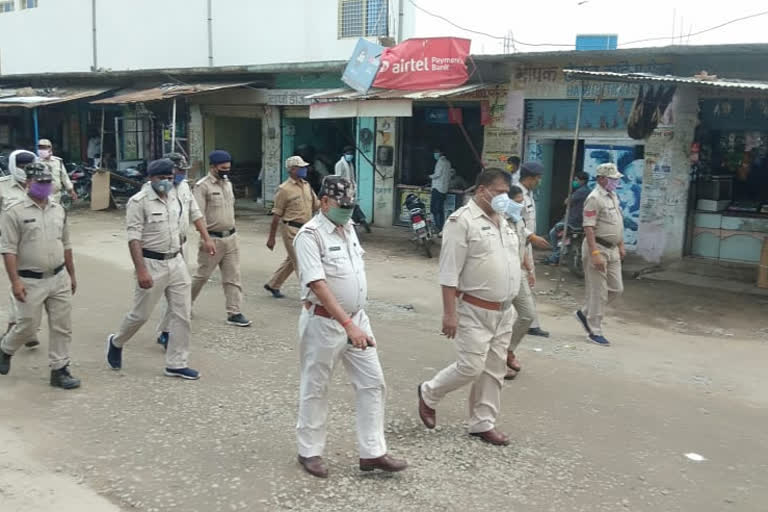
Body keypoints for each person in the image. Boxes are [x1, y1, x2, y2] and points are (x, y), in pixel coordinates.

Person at [293, 175, 407, 478]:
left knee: (373, 383)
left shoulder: (349, 228)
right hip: (324, 323)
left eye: (350, 206)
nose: (347, 211)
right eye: (342, 206)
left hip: (357, 320)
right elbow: (317, 284)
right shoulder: (310, 235)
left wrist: (355, 322)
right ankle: (309, 451)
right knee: (315, 387)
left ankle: (373, 452)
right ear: (325, 202)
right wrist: (347, 324)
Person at [418, 168, 521, 446]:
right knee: (471, 367)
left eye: (505, 193)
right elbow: (449, 271)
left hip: (504, 310)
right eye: (499, 192)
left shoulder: (505, 221)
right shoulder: (461, 221)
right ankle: (429, 393)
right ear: (481, 190)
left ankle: (482, 423)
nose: (503, 198)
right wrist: (449, 313)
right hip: (474, 309)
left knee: (494, 369)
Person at [106, 159, 199, 379]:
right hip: (151, 263)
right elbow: (134, 239)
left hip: (176, 261)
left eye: (169, 178)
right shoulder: (138, 202)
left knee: (182, 314)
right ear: (151, 178)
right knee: (141, 315)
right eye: (162, 179)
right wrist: (141, 271)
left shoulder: (176, 196)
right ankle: (117, 341)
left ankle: (176, 363)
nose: (167, 182)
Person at [0, 163, 80, 389]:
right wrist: (15, 281)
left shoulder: (58, 209)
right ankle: (5, 349)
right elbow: (9, 249)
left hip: (58, 276)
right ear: (28, 183)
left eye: (47, 183)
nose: (44, 187)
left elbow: (66, 244)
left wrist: (72, 274)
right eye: (40, 183)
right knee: (27, 325)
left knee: (62, 326)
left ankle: (60, 369)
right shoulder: (14, 212)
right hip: (29, 279)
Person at [155, 153, 216, 349]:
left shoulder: (183, 187)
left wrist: (206, 238)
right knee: (149, 302)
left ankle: (166, 331)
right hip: (159, 250)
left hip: (180, 246)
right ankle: (121, 338)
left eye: (183, 171)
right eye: (178, 170)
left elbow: (195, 213)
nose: (181, 174)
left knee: (179, 291)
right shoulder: (157, 191)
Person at [191, 150, 251, 327]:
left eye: (228, 168)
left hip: (231, 238)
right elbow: (197, 216)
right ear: (213, 167)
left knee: (233, 277)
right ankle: (183, 304)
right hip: (212, 239)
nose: (226, 171)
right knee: (202, 276)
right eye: (223, 168)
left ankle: (234, 312)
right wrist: (206, 238)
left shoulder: (227, 184)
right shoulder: (202, 186)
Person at [576, 163, 626, 347]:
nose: (616, 182)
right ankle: (594, 331)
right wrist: (594, 253)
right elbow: (588, 227)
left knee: (616, 289)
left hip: (612, 249)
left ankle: (585, 312)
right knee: (598, 292)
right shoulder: (594, 198)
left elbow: (618, 221)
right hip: (598, 247)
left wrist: (621, 244)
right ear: (601, 178)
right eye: (613, 179)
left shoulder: (612, 195)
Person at [0, 150, 44, 349]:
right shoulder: (3, 187)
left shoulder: (38, 184)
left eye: (28, 165)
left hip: (35, 241)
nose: (24, 170)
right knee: (18, 283)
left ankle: (20, 328)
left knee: (34, 285)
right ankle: (21, 328)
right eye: (20, 165)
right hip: (11, 244)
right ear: (12, 165)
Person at [264, 156, 319, 299]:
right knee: (301, 261)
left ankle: (273, 284)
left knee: (292, 259)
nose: (304, 170)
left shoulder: (307, 185)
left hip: (306, 228)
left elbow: (316, 205)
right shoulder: (284, 189)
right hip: (291, 229)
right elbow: (276, 215)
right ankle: (310, 294)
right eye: (301, 167)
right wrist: (271, 238)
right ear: (292, 170)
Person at [503, 186, 538, 380]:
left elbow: (524, 247)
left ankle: (508, 349)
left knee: (527, 315)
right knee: (501, 318)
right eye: (516, 201)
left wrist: (530, 269)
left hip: (519, 272)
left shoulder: (518, 220)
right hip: (501, 275)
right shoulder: (497, 221)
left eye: (521, 200)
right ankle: (497, 359)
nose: (520, 204)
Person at [518, 162, 551, 338]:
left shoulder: (528, 194)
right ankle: (527, 322)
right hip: (518, 245)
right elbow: (512, 221)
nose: (539, 182)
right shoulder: (516, 195)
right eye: (537, 179)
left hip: (527, 244)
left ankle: (530, 323)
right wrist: (532, 236)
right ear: (529, 178)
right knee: (521, 283)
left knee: (528, 283)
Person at [543, 171, 591, 265]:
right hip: (577, 220)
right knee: (561, 233)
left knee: (553, 233)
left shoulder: (581, 191)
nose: (574, 181)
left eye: (576, 180)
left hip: (573, 221)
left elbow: (567, 202)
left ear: (582, 181)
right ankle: (561, 252)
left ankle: (556, 256)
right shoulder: (587, 191)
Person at [333, 146, 370, 233]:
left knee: (351, 206)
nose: (350, 155)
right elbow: (338, 178)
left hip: (350, 190)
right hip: (343, 191)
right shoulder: (340, 164)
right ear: (344, 154)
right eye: (348, 154)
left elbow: (352, 178)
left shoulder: (350, 164)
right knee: (350, 207)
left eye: (351, 154)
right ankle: (361, 220)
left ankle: (360, 221)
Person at [429, 147, 452, 234]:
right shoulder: (448, 163)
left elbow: (437, 174)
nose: (435, 154)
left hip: (437, 188)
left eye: (436, 152)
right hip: (444, 189)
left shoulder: (440, 162)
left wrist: (429, 176)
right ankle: (441, 227)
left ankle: (438, 227)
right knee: (440, 209)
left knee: (434, 209)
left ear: (440, 153)